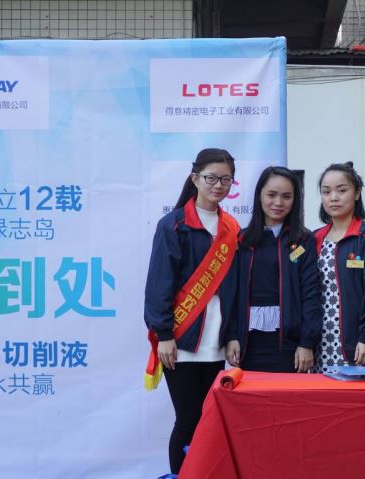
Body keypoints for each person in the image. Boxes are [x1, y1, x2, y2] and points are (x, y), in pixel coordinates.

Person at [143, 148, 239, 475]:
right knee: (187, 418)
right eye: (211, 178)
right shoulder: (174, 225)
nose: (218, 185)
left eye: (226, 179)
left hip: (215, 340)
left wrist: (233, 335)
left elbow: (235, 290)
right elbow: (159, 285)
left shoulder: (231, 228)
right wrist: (164, 335)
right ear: (195, 178)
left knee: (209, 418)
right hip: (181, 340)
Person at [226, 166, 322, 373]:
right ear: (259, 196)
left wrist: (306, 342)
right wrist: (231, 336)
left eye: (286, 196)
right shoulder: (241, 240)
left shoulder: (303, 240)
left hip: (291, 346)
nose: (278, 202)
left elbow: (311, 294)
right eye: (271, 195)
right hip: (247, 344)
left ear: (295, 200)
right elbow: (231, 294)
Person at [312, 161, 365, 374]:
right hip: (320, 345)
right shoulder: (314, 239)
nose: (333, 197)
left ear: (356, 193)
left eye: (342, 190)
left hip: (359, 345)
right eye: (326, 191)